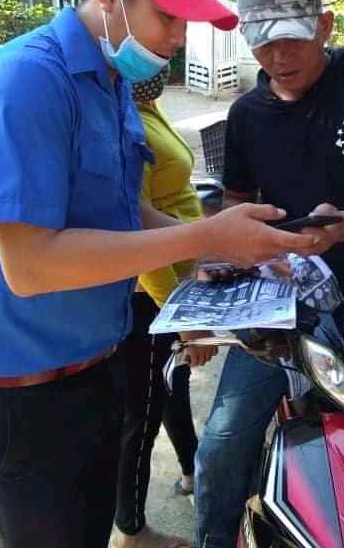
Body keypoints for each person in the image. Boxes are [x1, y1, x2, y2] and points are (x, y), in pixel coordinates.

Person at [0, 0, 317, 548]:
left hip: (99, 362)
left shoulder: (110, 82)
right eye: (168, 16)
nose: (176, 38)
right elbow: (28, 265)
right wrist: (199, 238)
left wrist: (223, 243)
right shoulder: (26, 80)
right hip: (28, 388)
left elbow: (126, 212)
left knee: (87, 530)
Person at [194, 0, 344, 548]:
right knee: (222, 442)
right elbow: (236, 202)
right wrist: (225, 260)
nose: (277, 56)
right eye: (262, 42)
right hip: (284, 297)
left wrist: (343, 227)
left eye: (292, 38)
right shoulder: (247, 114)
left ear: (324, 25)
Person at [110, 68, 215, 548]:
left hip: (173, 284)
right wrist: (183, 317)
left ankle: (192, 470)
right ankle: (131, 528)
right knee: (143, 412)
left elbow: (173, 200)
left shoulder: (145, 108)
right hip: (149, 296)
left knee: (172, 387)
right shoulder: (123, 121)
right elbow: (139, 233)